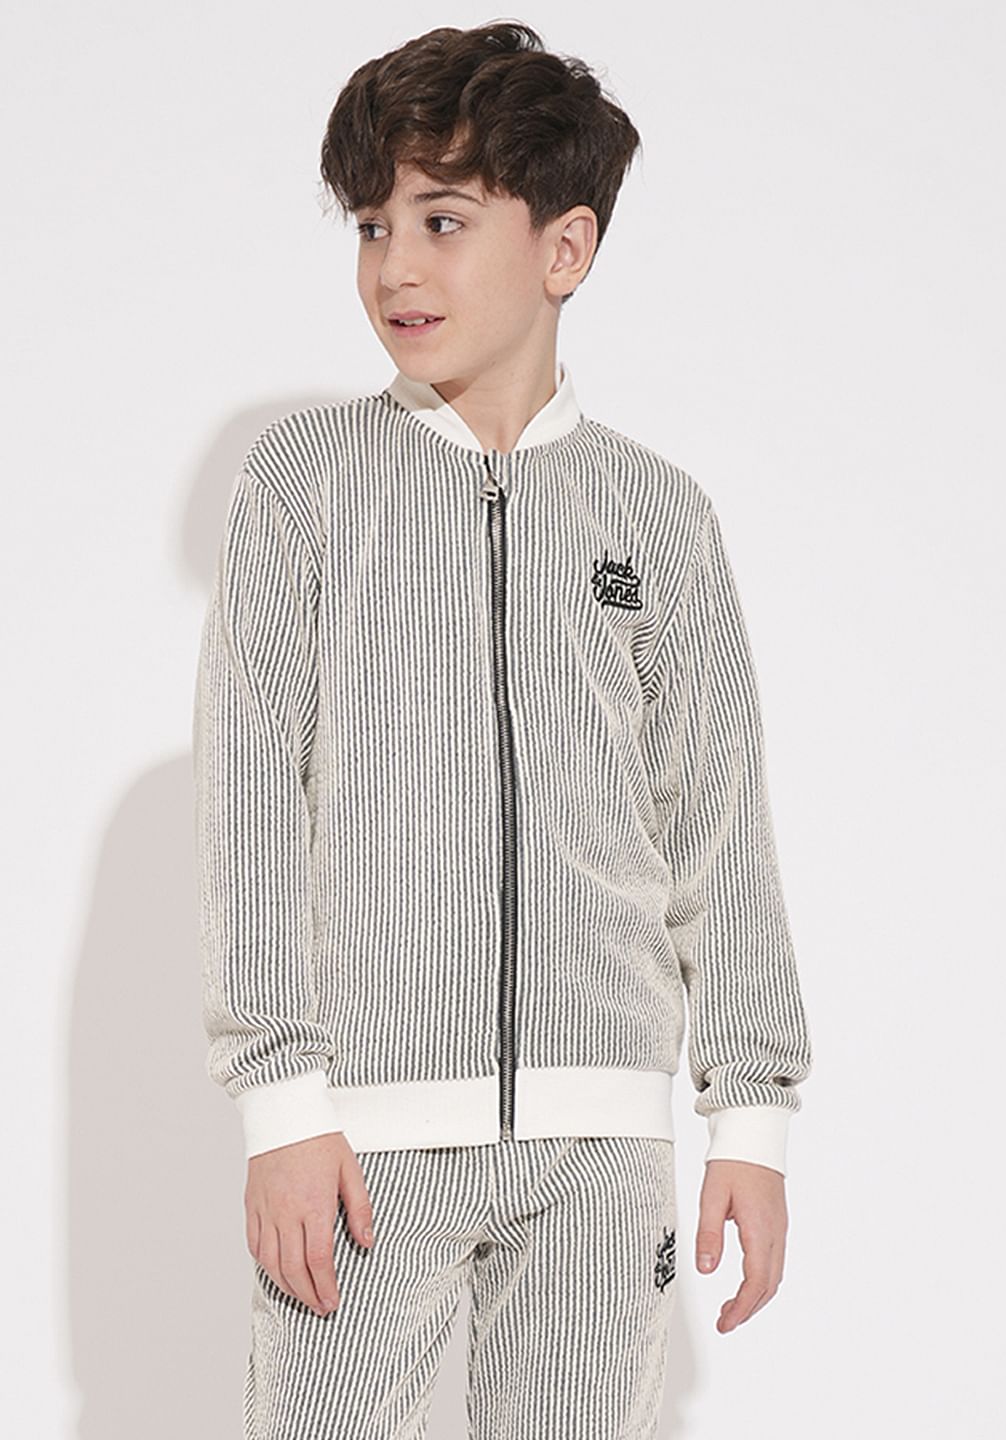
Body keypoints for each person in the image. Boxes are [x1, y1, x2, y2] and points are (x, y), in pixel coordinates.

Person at [192, 20, 813, 1439]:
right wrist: (282, 1109)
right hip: (361, 1142)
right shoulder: (301, 486)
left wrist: (751, 1119)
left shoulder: (658, 514)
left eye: (442, 219)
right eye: (371, 225)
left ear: (564, 248)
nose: (394, 268)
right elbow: (251, 800)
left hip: (600, 1142)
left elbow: (717, 816)